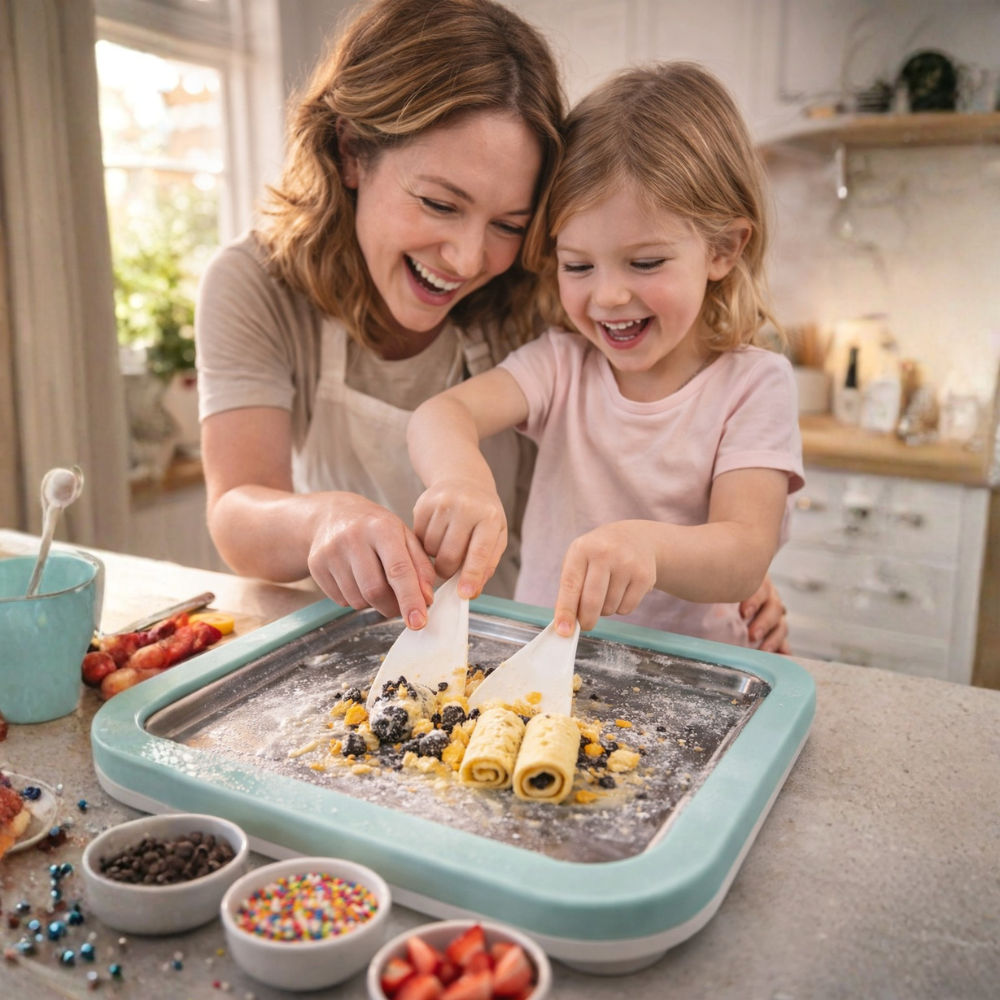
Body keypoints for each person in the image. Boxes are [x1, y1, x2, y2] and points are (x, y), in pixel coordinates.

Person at [195, 0, 790, 650]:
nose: (471, 258)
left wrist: (714, 564)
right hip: (365, 637)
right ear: (351, 151)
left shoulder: (553, 292)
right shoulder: (257, 285)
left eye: (510, 224)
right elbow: (237, 513)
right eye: (440, 203)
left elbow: (690, 501)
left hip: (517, 636)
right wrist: (323, 520)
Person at [408, 62, 804, 646]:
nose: (609, 295)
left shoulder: (754, 385)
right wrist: (460, 479)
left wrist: (646, 546)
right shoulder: (562, 365)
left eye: (645, 262)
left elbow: (745, 551)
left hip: (694, 680)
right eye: (578, 265)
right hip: (549, 665)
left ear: (722, 249)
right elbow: (441, 414)